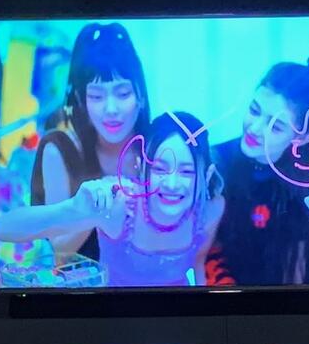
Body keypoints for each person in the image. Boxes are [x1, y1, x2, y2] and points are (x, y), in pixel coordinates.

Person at [0, 22, 151, 261]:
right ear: (81, 99)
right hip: (85, 280)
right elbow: (61, 250)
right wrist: (94, 213)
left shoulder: (155, 148)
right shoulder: (60, 149)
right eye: (96, 96)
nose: (111, 109)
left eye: (123, 94)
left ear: (141, 96)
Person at [203, 60, 309, 287]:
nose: (255, 128)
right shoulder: (218, 161)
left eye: (275, 127)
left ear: (303, 137)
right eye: (254, 110)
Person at [86, 111, 221, 289]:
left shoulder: (210, 211)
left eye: (187, 172)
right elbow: (57, 238)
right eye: (159, 169)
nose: (171, 185)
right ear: (141, 166)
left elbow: (199, 264)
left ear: (207, 175)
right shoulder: (119, 203)